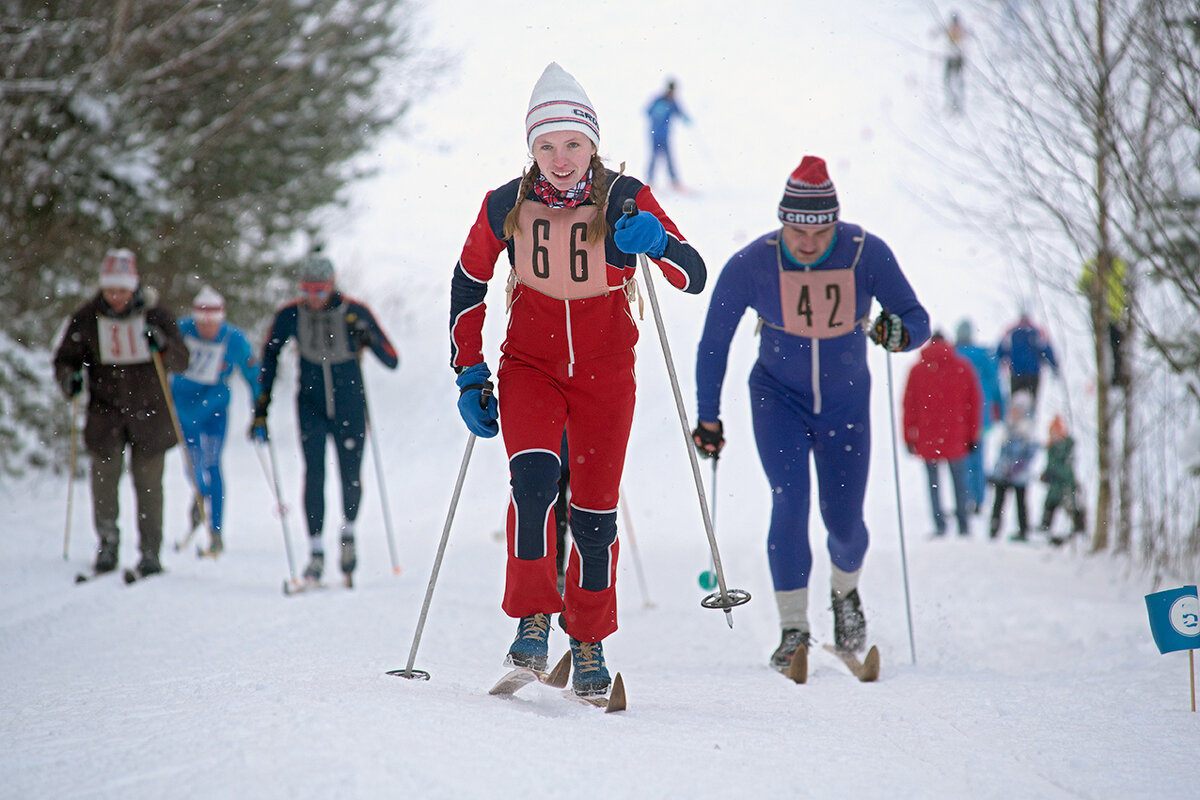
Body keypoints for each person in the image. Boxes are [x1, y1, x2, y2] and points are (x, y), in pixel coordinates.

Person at [448, 62, 706, 696]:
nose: (560, 159)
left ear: (593, 144)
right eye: (545, 145)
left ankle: (588, 641)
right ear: (530, 149)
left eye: (572, 144)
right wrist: (468, 369)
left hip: (605, 374)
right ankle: (533, 620)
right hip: (530, 368)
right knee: (532, 485)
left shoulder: (623, 197)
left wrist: (658, 242)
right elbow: (466, 280)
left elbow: (692, 274)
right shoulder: (506, 203)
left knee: (594, 517)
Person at [691, 155, 930, 675]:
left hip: (846, 406)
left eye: (819, 232)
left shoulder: (866, 253)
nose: (805, 242)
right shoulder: (754, 262)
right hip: (779, 400)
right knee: (790, 499)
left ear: (835, 225)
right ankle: (792, 628)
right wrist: (708, 417)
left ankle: (845, 594)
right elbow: (714, 343)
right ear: (782, 221)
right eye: (795, 228)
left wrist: (899, 333)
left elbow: (917, 319)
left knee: (845, 524)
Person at [251, 254, 398, 587]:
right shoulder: (290, 314)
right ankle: (315, 551)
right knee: (314, 473)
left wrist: (368, 339)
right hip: (311, 406)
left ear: (332, 286)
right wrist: (262, 405)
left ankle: (348, 535)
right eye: (307, 291)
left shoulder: (353, 311)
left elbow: (392, 360)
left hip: (349, 407)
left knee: (350, 475)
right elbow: (270, 356)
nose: (313, 298)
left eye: (319, 291)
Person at [53, 249, 190, 577]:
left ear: (134, 287)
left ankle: (150, 552)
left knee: (148, 485)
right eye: (111, 290)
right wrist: (68, 378)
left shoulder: (156, 315)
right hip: (105, 413)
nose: (116, 297)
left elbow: (182, 360)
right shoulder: (86, 317)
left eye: (122, 291)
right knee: (104, 481)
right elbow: (66, 358)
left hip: (151, 414)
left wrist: (164, 346)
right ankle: (108, 543)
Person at [170, 286, 259, 556]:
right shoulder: (182, 329)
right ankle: (201, 497)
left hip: (215, 411)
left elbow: (253, 374)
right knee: (192, 466)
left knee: (213, 463)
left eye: (213, 323)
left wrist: (260, 411)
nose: (206, 328)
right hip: (184, 412)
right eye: (202, 322)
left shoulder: (233, 339)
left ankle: (216, 530)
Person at [902, 331, 982, 537]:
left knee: (933, 485)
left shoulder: (917, 370)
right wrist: (973, 435)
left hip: (928, 438)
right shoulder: (962, 367)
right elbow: (973, 404)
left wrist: (909, 437)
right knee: (960, 483)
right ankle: (963, 526)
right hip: (956, 435)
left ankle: (939, 525)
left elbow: (908, 407)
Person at [955, 318, 1006, 513]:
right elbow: (995, 385)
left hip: (959, 416)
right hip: (981, 414)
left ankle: (966, 498)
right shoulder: (984, 356)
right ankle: (978, 499)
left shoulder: (954, 355)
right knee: (978, 456)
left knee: (964, 459)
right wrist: (1000, 409)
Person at [988, 394, 1039, 541]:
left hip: (1019, 475)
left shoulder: (1027, 431)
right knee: (998, 502)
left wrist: (1018, 466)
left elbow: (1030, 453)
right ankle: (994, 528)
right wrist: (1001, 467)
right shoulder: (1007, 428)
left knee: (1021, 503)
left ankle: (1023, 530)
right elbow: (1002, 452)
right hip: (1003, 473)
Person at [1079, 252, 1128, 388]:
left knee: (1115, 346)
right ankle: (1105, 375)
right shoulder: (1094, 265)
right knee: (1107, 346)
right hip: (1102, 313)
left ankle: (1115, 376)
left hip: (1113, 314)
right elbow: (1082, 284)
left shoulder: (1116, 264)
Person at [996, 311, 1058, 409]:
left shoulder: (1012, 333)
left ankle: (1015, 420)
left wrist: (997, 365)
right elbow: (1045, 350)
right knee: (1032, 402)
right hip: (1033, 373)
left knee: (1015, 403)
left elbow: (1002, 351)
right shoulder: (1036, 332)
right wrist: (1054, 366)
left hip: (1016, 372)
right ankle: (1030, 418)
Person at [1039, 415, 1085, 539]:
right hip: (1055, 484)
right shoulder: (1051, 448)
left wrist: (1055, 472)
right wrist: (1045, 474)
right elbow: (1050, 465)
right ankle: (1045, 527)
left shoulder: (1067, 447)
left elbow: (1067, 469)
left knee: (1071, 506)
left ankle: (1079, 529)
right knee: (1050, 504)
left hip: (1066, 484)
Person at [645, 79, 689, 191]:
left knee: (669, 159)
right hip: (655, 136)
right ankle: (650, 181)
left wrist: (685, 118)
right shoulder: (659, 100)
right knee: (654, 158)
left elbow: (679, 112)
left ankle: (674, 181)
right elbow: (647, 111)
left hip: (665, 136)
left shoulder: (672, 102)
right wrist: (657, 110)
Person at [940, 11, 969, 113]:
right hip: (953, 57)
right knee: (951, 81)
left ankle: (956, 104)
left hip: (956, 58)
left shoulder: (958, 30)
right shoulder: (954, 29)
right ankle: (952, 103)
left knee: (954, 81)